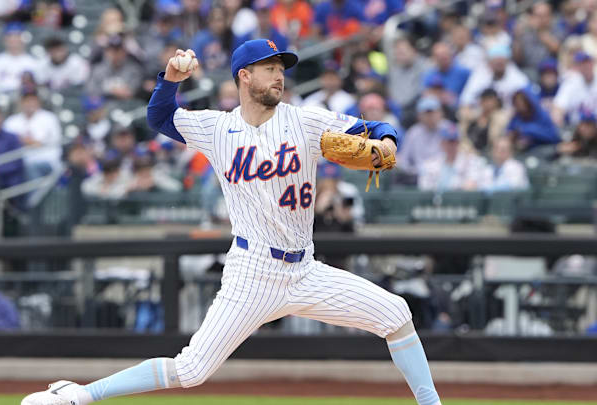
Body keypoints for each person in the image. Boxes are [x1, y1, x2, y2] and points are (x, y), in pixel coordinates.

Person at [22, 38, 442, 405]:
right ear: (245, 76)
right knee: (191, 370)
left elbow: (381, 126)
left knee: (395, 313)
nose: (279, 76)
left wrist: (386, 141)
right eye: (270, 69)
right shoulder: (216, 128)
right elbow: (160, 117)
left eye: (281, 69)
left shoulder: (306, 120)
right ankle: (77, 394)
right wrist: (170, 78)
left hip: (305, 269)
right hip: (252, 272)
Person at [3, 88, 63, 180]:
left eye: (32, 99)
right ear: (21, 102)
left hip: (46, 160)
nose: (29, 103)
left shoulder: (49, 118)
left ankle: (37, 195)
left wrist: (24, 141)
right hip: (18, 162)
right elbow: (6, 144)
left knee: (31, 167)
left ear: (38, 101)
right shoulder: (11, 121)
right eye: (26, 100)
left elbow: (55, 144)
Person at [418, 123, 486, 192]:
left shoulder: (471, 161)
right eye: (449, 142)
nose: (452, 145)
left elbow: (472, 184)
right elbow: (424, 187)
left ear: (459, 143)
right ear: (442, 143)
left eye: (454, 141)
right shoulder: (431, 164)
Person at [396, 97, 448, 183]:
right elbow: (404, 160)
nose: (430, 117)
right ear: (419, 116)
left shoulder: (449, 130)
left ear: (440, 113)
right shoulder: (413, 132)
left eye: (432, 113)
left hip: (443, 175)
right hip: (418, 177)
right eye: (426, 113)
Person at [0, 22, 41, 96]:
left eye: (17, 36)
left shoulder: (32, 62)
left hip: (25, 99)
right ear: (4, 39)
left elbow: (37, 87)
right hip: (2, 100)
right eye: (10, 36)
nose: (13, 39)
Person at [86, 34, 144, 100]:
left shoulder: (134, 69)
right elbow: (90, 90)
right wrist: (111, 91)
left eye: (118, 50)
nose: (114, 54)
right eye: (111, 50)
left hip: (128, 106)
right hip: (104, 106)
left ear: (124, 52)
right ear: (106, 52)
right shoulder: (98, 70)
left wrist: (123, 91)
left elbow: (135, 90)